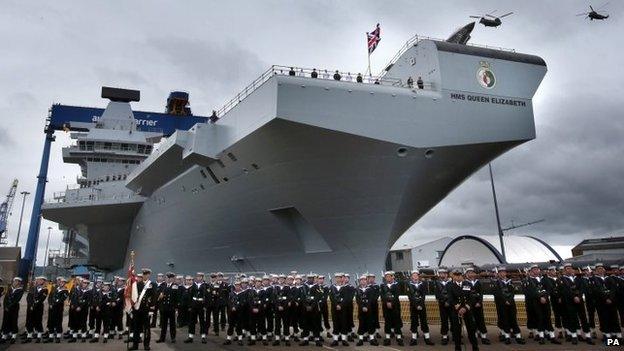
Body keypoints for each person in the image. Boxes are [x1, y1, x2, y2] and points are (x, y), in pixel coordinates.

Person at [557, 263, 592, 345]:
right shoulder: (561, 279)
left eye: (570, 268)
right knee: (572, 319)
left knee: (583, 318)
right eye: (567, 268)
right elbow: (565, 291)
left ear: (572, 269)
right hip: (569, 302)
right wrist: (574, 297)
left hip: (579, 301)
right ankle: (574, 336)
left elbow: (582, 288)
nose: (569, 270)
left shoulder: (578, 278)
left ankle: (588, 336)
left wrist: (578, 296)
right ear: (564, 270)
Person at [493, 267, 526, 345]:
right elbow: (497, 294)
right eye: (500, 272)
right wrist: (505, 301)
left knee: (513, 319)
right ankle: (507, 337)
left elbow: (512, 292)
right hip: (502, 304)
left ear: (505, 273)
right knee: (504, 320)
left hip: (511, 304)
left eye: (503, 272)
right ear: (498, 274)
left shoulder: (510, 282)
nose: (502, 274)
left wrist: (509, 300)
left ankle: (518, 336)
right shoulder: (496, 283)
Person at [448, 269, 479, 351]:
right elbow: (450, 298)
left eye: (459, 275)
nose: (458, 277)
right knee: (456, 331)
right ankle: (457, 348)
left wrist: (465, 308)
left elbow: (472, 297)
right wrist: (458, 308)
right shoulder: (450, 286)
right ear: (453, 276)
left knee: (471, 329)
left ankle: (475, 347)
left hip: (467, 310)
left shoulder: (468, 284)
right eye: (456, 275)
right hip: (456, 310)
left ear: (462, 276)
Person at [129, 268, 157, 351]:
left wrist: (151, 310)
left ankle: (146, 345)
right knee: (136, 327)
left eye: (147, 274)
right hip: (138, 309)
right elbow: (134, 296)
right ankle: (135, 345)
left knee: (147, 328)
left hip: (146, 309)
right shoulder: (138, 284)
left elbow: (154, 298)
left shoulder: (152, 284)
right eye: (144, 274)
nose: (145, 275)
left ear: (149, 275)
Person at [592, 263, 622, 341]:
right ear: (596, 271)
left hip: (611, 302)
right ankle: (608, 336)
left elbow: (613, 289)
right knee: (605, 319)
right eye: (598, 269)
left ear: (604, 270)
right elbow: (598, 290)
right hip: (602, 303)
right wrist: (606, 298)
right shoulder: (594, 279)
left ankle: (616, 335)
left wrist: (611, 298)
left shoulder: (609, 278)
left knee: (614, 318)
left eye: (601, 268)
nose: (600, 270)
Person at [407, 270, 434, 345]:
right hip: (413, 306)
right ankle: (414, 339)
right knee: (414, 322)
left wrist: (420, 305)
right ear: (411, 276)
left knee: (424, 322)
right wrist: (416, 305)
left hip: (422, 306)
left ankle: (427, 338)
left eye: (416, 275)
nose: (415, 276)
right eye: (414, 275)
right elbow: (410, 297)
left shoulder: (423, 284)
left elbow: (424, 295)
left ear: (418, 276)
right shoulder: (409, 284)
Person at [464, 267, 490, 345]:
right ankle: (474, 337)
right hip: (470, 306)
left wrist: (479, 302)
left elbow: (481, 293)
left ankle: (483, 336)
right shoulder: (465, 283)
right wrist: (472, 303)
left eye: (472, 272)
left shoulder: (478, 282)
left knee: (481, 320)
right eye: (469, 273)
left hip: (479, 305)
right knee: (472, 321)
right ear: (466, 274)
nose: (471, 274)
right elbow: (467, 295)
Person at [380, 271, 403, 346]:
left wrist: (391, 303)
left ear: (392, 277)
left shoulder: (396, 285)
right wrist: (387, 302)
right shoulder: (383, 285)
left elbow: (397, 295)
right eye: (386, 276)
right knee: (387, 322)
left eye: (389, 276)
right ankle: (387, 338)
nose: (388, 278)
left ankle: (399, 338)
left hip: (395, 306)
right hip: (386, 306)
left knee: (397, 321)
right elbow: (382, 296)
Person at [300, 274, 322, 346]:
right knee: (305, 324)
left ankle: (317, 340)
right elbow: (302, 298)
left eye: (312, 278)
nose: (310, 279)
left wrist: (311, 306)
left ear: (313, 279)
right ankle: (305, 339)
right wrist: (306, 306)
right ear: (307, 278)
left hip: (314, 308)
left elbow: (317, 297)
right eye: (309, 278)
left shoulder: (317, 286)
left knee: (315, 324)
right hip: (305, 308)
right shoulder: (303, 286)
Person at [24, 276, 49, 343]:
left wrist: (34, 305)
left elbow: (41, 299)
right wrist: (30, 305)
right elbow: (28, 297)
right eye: (38, 280)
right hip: (31, 307)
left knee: (38, 321)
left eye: (40, 280)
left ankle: (39, 336)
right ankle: (29, 336)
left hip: (38, 308)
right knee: (30, 321)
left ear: (43, 281)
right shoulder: (33, 288)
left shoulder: (45, 289)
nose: (38, 281)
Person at [155, 272, 178, 344]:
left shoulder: (175, 286)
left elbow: (176, 298)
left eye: (170, 278)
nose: (168, 279)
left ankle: (173, 338)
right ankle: (162, 338)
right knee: (163, 324)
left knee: (172, 324)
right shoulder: (163, 285)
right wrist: (160, 297)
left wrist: (176, 308)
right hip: (164, 308)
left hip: (171, 308)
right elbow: (158, 294)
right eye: (167, 278)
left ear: (172, 278)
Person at [184, 272, 207, 343]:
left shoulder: (205, 285)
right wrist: (190, 306)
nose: (198, 278)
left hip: (201, 305)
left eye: (200, 276)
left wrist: (205, 306)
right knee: (192, 321)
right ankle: (190, 337)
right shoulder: (194, 285)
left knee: (202, 321)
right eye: (197, 276)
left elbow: (207, 296)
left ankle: (203, 337)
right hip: (194, 304)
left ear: (202, 277)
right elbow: (190, 296)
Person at [45, 277, 69, 343]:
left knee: (58, 322)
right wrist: (50, 303)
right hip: (52, 308)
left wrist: (54, 302)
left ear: (64, 283)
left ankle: (58, 337)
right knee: (51, 322)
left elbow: (61, 300)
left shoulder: (65, 291)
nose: (61, 283)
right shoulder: (56, 289)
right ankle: (51, 337)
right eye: (60, 282)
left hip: (58, 309)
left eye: (63, 282)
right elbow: (50, 297)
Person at [0, 277, 24, 344]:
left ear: (19, 283)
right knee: (5, 321)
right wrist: (5, 307)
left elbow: (16, 300)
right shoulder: (10, 288)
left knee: (13, 321)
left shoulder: (20, 290)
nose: (16, 282)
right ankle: (4, 335)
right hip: (7, 308)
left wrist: (9, 306)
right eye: (15, 281)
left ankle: (13, 336)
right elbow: (5, 299)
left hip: (14, 308)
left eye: (18, 281)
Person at [355, 275, 377, 346]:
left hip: (369, 309)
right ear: (360, 281)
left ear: (366, 281)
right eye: (361, 280)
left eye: (364, 280)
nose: (363, 281)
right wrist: (362, 307)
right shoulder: (357, 289)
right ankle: (361, 339)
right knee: (361, 324)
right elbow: (358, 300)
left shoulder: (370, 289)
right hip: (361, 310)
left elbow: (371, 299)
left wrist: (367, 307)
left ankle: (372, 339)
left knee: (370, 324)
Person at [68, 278, 91, 343]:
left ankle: (83, 336)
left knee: (83, 322)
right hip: (76, 309)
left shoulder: (89, 291)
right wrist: (74, 305)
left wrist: (80, 307)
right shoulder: (76, 289)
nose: (85, 284)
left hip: (84, 310)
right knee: (75, 322)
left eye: (87, 283)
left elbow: (87, 301)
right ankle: (74, 337)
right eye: (84, 283)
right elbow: (74, 298)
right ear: (81, 283)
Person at [544, 266, 564, 339]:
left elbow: (562, 289)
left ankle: (567, 331)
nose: (554, 272)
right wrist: (557, 297)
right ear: (549, 272)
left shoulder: (559, 279)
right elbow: (550, 290)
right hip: (554, 299)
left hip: (563, 299)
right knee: (557, 315)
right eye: (552, 271)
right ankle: (559, 331)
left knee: (565, 315)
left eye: (554, 270)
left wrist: (561, 297)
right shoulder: (547, 280)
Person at [329, 273, 349, 346]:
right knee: (335, 323)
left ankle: (344, 339)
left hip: (343, 308)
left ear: (341, 279)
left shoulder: (345, 287)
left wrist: (340, 305)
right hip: (334, 308)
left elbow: (346, 298)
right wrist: (336, 305)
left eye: (339, 278)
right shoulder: (332, 287)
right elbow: (331, 298)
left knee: (343, 323)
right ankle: (335, 340)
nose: (337, 279)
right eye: (336, 278)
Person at [224, 281, 245, 345]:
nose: (237, 287)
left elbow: (242, 303)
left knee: (239, 326)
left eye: (238, 285)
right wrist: (232, 307)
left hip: (239, 312)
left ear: (240, 286)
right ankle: (228, 339)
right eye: (236, 285)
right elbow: (229, 302)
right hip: (232, 312)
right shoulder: (231, 293)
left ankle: (240, 339)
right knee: (231, 326)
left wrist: (236, 307)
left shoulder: (242, 294)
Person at [434, 268, 451, 345]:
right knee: (444, 321)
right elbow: (437, 295)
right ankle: (444, 336)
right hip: (442, 305)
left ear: (446, 274)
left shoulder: (451, 282)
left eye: (443, 273)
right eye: (440, 273)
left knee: (454, 321)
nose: (442, 275)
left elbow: (452, 293)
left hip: (451, 304)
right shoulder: (437, 283)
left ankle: (455, 335)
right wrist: (444, 301)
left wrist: (448, 301)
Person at [273, 274, 291, 346]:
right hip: (277, 309)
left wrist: (283, 306)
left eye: (283, 279)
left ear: (285, 279)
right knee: (277, 324)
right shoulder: (276, 288)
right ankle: (277, 339)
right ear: (278, 279)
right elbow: (274, 298)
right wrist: (278, 306)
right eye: (280, 278)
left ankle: (287, 338)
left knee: (286, 323)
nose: (281, 280)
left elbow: (288, 298)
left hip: (285, 309)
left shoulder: (287, 288)